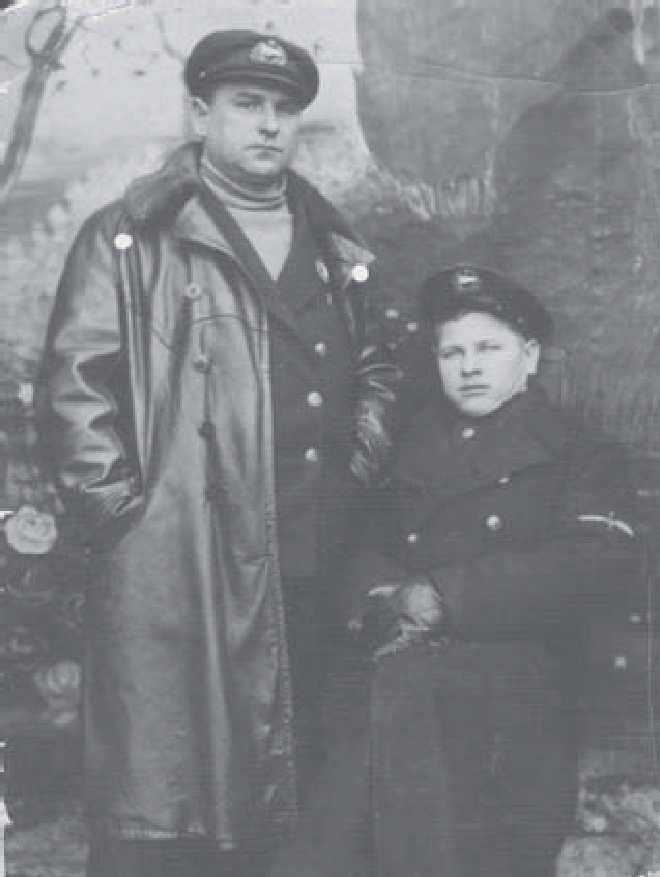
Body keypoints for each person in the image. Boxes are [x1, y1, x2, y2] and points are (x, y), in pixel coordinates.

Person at [36, 29, 401, 877]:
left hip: (311, 547)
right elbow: (73, 391)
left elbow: (378, 367)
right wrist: (123, 518)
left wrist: (358, 463)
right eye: (247, 104)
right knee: (170, 790)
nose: (269, 124)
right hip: (180, 557)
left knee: (289, 775)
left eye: (284, 109)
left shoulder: (334, 245)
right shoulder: (128, 236)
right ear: (200, 114)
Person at [266, 263, 636, 877]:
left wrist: (445, 595)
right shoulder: (408, 443)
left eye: (489, 348)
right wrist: (383, 596)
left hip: (520, 676)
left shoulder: (580, 450)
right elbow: (356, 539)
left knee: (399, 701)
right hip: (400, 657)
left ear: (530, 356)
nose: (469, 367)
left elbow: (594, 564)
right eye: (452, 352)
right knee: (373, 694)